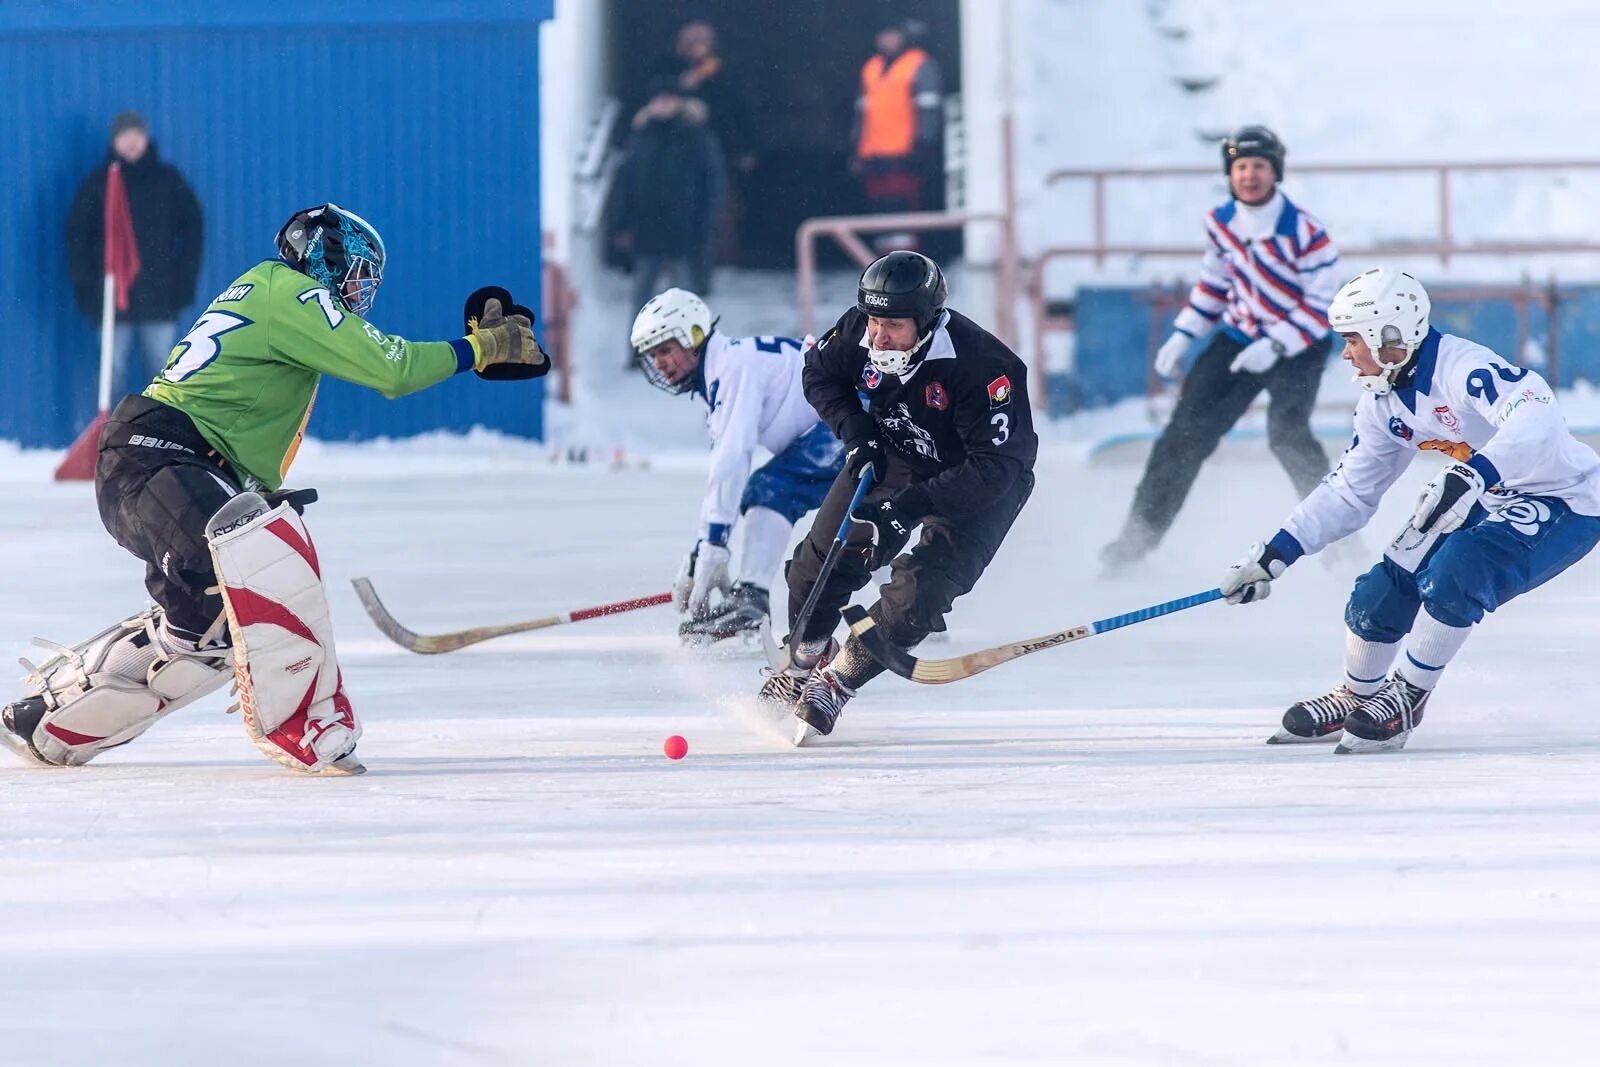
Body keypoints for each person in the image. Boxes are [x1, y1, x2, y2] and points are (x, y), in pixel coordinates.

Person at [2, 204, 545, 775]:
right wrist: (482, 348)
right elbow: (396, 370)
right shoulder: (291, 292)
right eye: (359, 274)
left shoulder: (268, 293)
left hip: (164, 462)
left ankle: (44, 718)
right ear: (326, 258)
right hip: (162, 458)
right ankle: (307, 725)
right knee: (268, 561)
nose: (362, 292)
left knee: (202, 635)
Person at [1220, 267, 1600, 754]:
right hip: (1482, 496)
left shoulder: (1461, 367)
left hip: (1563, 498)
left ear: (1387, 334)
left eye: (1353, 339)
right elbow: (1349, 492)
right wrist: (1274, 554)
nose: (1346, 353)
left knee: (1457, 570)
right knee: (1380, 592)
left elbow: (1537, 414)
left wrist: (1475, 473)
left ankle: (1408, 697)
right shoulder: (1380, 403)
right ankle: (1360, 694)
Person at [760, 251, 1038, 744]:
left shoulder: (986, 368)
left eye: (892, 324)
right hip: (897, 450)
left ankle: (838, 679)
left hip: (981, 481)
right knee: (818, 561)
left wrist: (905, 508)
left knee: (920, 596)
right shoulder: (859, 334)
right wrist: (857, 432)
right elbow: (819, 374)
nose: (878, 336)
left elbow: (995, 468)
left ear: (926, 323)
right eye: (872, 320)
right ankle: (803, 659)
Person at [1101, 126, 1343, 572]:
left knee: (1288, 436)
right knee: (1182, 436)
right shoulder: (1220, 223)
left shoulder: (1307, 231)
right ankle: (1136, 541)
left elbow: (1324, 301)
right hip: (1237, 339)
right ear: (1230, 173)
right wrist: (1185, 333)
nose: (1250, 175)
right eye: (1241, 167)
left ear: (1276, 172)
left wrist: (1277, 343)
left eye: (1260, 166)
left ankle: (1341, 542)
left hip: (1298, 345)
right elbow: (1214, 284)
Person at [632, 289, 844, 645]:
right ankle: (900, 604)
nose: (660, 364)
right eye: (653, 356)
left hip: (847, 417)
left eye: (665, 349)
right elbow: (725, 471)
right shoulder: (724, 371)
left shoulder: (733, 368)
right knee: (853, 518)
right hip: (837, 419)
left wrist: (714, 545)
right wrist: (701, 550)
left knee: (772, 487)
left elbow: (731, 460)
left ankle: (752, 596)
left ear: (694, 336)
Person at [65, 110, 205, 389]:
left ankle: (162, 428)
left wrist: (183, 282)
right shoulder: (99, 184)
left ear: (146, 138)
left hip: (159, 298)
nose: (131, 142)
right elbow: (76, 235)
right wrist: (87, 286)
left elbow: (193, 229)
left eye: (137, 134)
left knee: (163, 373)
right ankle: (114, 431)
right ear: (115, 141)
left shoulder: (168, 181)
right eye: (124, 135)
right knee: (111, 374)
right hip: (111, 298)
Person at [606, 80, 725, 364]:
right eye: (658, 99)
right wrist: (620, 225)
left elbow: (712, 184)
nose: (663, 104)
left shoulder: (696, 137)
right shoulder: (641, 137)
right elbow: (625, 184)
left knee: (686, 298)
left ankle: (696, 355)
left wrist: (707, 224)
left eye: (668, 99)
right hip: (648, 229)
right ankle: (637, 353)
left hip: (683, 229)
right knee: (643, 298)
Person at [851, 21, 943, 252]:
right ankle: (884, 262)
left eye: (892, 35)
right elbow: (862, 113)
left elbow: (929, 107)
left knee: (903, 211)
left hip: (904, 154)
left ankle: (908, 262)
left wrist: (924, 143)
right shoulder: (871, 67)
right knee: (880, 212)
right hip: (875, 155)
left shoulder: (919, 64)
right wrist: (856, 149)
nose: (887, 40)